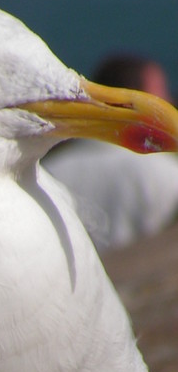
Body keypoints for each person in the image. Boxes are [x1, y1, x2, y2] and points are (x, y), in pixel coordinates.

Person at [44, 53, 178, 253]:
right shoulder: (165, 171)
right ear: (140, 100)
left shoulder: (48, 172)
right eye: (161, 94)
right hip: (142, 279)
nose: (170, 100)